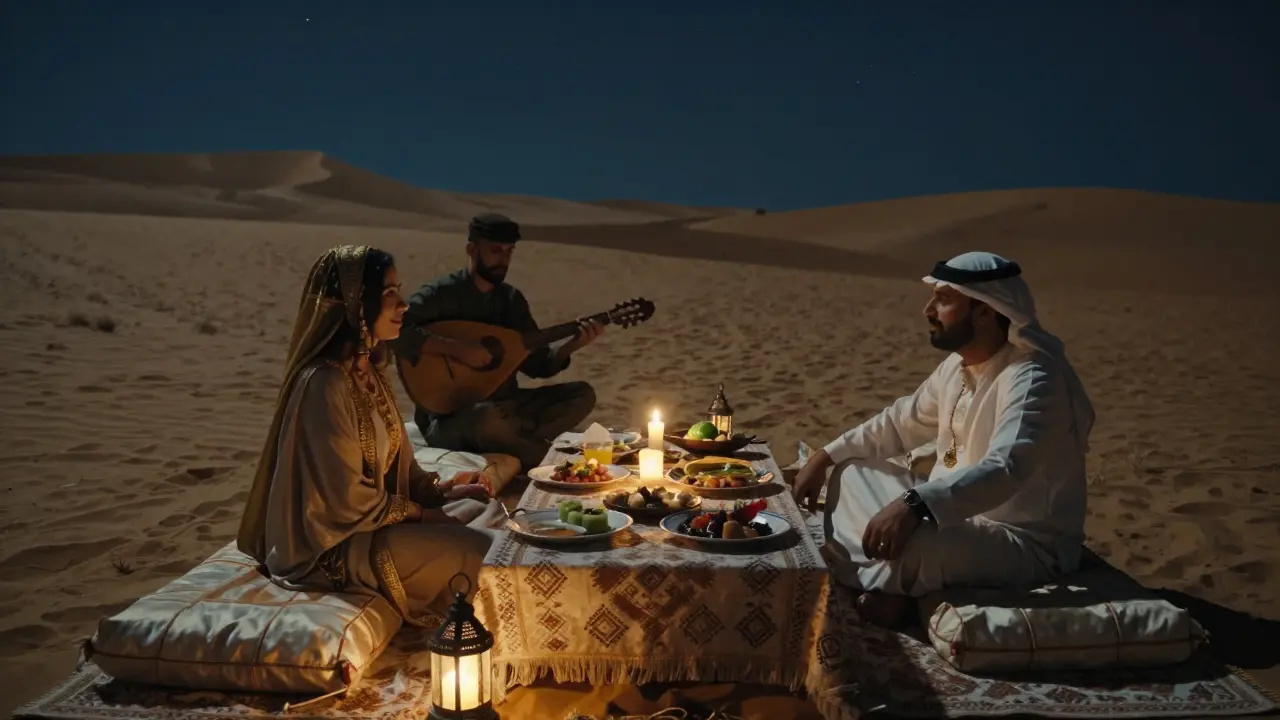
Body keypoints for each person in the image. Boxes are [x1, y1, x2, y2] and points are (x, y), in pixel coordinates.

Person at [792, 251, 1095, 630]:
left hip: (1021, 541)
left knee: (916, 546)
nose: (928, 310)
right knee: (850, 474)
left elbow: (1006, 467)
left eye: (944, 299)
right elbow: (901, 423)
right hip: (946, 512)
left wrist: (915, 504)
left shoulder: (1033, 378)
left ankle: (891, 590)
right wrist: (826, 455)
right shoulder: (957, 366)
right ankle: (893, 585)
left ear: (985, 310)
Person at [237, 244, 503, 627]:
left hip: (373, 521)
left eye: (399, 290)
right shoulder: (324, 385)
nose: (403, 305)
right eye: (388, 294)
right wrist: (425, 515)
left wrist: (441, 492)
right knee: (478, 548)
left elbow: (402, 467)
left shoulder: (367, 374)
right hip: (334, 545)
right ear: (355, 305)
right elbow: (347, 502)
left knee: (485, 509)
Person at [392, 213, 603, 471]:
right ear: (471, 249)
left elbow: (538, 365)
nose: (503, 260)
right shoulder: (441, 294)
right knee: (483, 418)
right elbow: (397, 328)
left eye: (509, 251)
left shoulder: (511, 301)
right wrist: (456, 348)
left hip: (508, 405)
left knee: (582, 395)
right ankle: (545, 462)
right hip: (452, 417)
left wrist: (573, 344)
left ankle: (508, 440)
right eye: (495, 251)